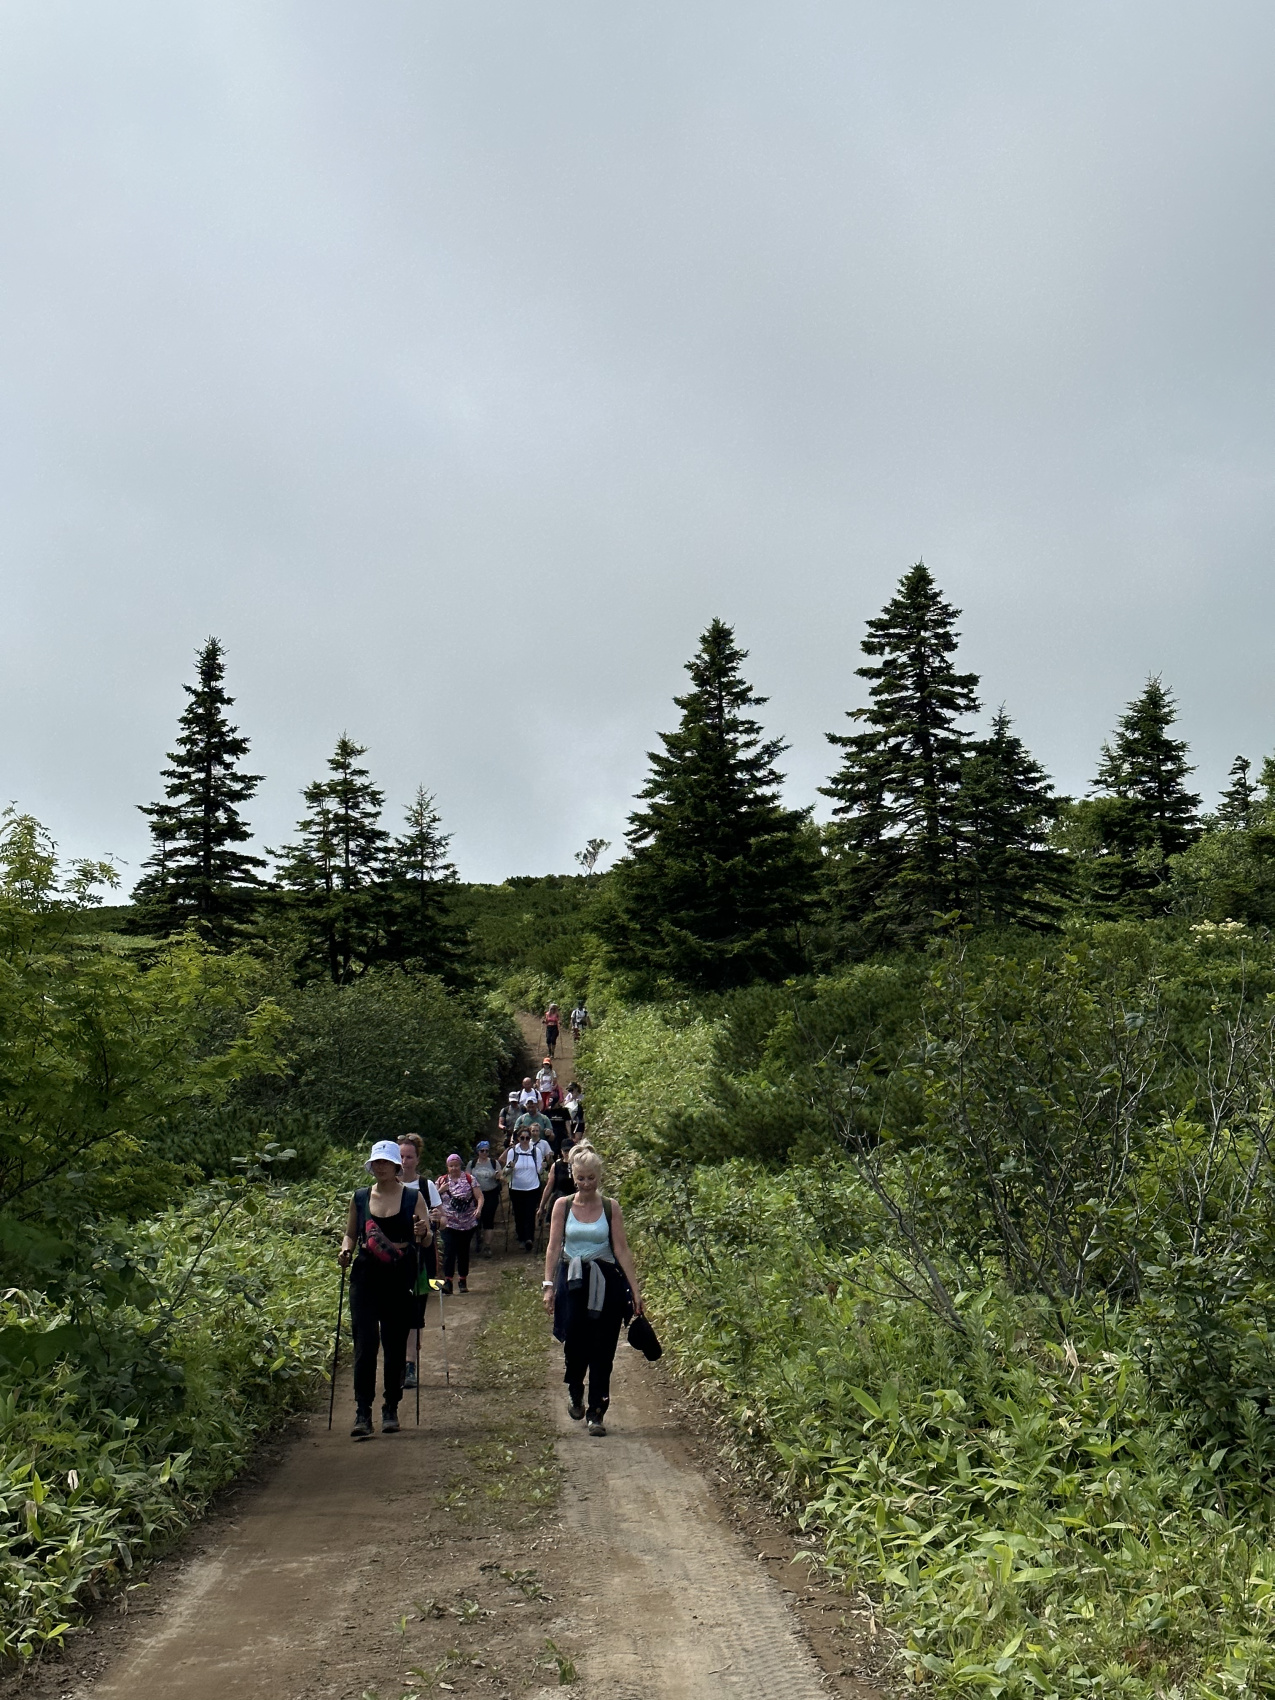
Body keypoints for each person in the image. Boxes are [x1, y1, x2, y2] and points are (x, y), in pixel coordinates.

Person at [542, 1146, 643, 1438]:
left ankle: (596, 1412)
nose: (586, 1184)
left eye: (591, 1178)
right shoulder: (562, 1205)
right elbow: (553, 1246)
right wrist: (548, 1286)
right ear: (573, 1176)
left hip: (606, 1281)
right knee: (574, 1343)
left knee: (603, 1348)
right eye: (581, 1178)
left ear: (599, 1177)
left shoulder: (611, 1207)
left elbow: (622, 1249)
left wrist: (635, 1291)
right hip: (572, 1282)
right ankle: (576, 1389)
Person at [339, 1139, 432, 1439]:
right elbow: (350, 1234)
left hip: (399, 1275)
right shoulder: (360, 1197)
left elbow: (427, 1238)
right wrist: (345, 1251)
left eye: (385, 1163)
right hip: (366, 1275)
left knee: (394, 1345)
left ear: (396, 1167)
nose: (380, 1167)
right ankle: (362, 1412)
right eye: (375, 1163)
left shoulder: (413, 1197)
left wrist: (423, 1231)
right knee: (365, 1345)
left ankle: (391, 1406)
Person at [398, 1135, 442, 1390]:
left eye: (409, 1157)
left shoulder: (427, 1186)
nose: (404, 1162)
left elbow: (442, 1220)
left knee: (416, 1313)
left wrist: (437, 1218)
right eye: (401, 1156)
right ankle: (400, 1361)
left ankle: (410, 1363)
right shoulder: (388, 1185)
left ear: (417, 1159)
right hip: (392, 1257)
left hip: (422, 1257)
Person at [436, 1154, 482, 1294]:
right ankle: (448, 1281)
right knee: (449, 1251)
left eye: (456, 1165)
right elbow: (432, 1199)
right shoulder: (441, 1181)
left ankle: (462, 1279)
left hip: (467, 1222)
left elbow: (479, 1196)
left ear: (460, 1165)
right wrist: (440, 1191)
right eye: (451, 1166)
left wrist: (478, 1209)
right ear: (447, 1167)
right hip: (448, 1222)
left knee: (463, 1251)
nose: (454, 1168)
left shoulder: (469, 1179)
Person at [503, 1126, 544, 1251]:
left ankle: (529, 1239)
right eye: (522, 1138)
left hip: (533, 1187)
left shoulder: (536, 1151)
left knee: (530, 1213)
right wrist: (510, 1166)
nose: (525, 1140)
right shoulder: (513, 1152)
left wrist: (544, 1166)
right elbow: (506, 1171)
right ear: (518, 1139)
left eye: (527, 1138)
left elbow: (539, 1170)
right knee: (519, 1214)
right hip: (516, 1188)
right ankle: (521, 1236)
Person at [471, 1139, 502, 1257]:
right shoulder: (472, 1164)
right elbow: (467, 1178)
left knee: (488, 1220)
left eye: (486, 1151)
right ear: (478, 1152)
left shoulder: (494, 1163)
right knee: (476, 1219)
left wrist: (498, 1176)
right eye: (482, 1151)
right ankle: (477, 1239)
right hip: (475, 1195)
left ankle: (487, 1246)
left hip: (491, 1193)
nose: (484, 1153)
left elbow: (501, 1176)